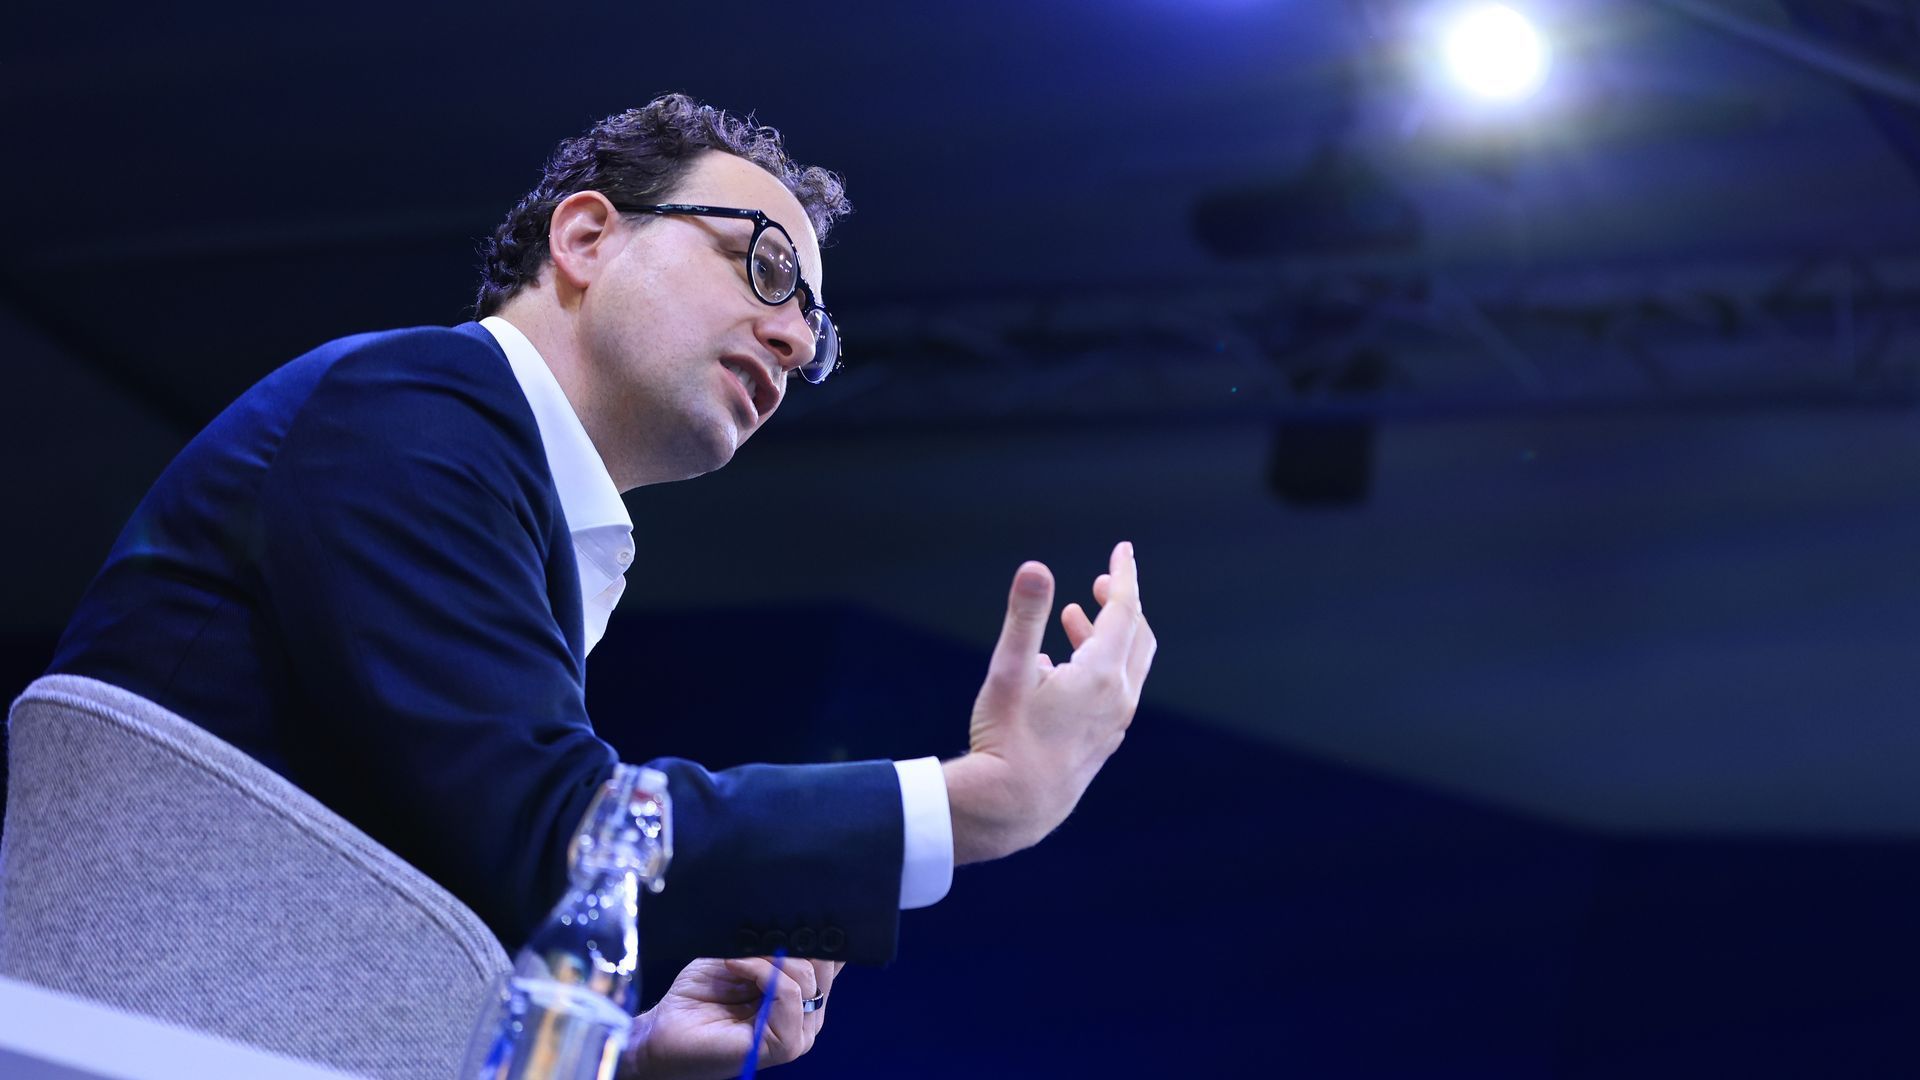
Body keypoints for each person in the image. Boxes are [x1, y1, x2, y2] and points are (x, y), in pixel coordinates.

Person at [45, 94, 1156, 1074]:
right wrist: (978, 802)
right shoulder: (411, 406)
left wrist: (622, 1058)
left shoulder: (501, 499)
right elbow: (553, 831)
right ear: (585, 236)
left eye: (814, 333)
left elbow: (392, 895)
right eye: (768, 267)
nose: (788, 337)